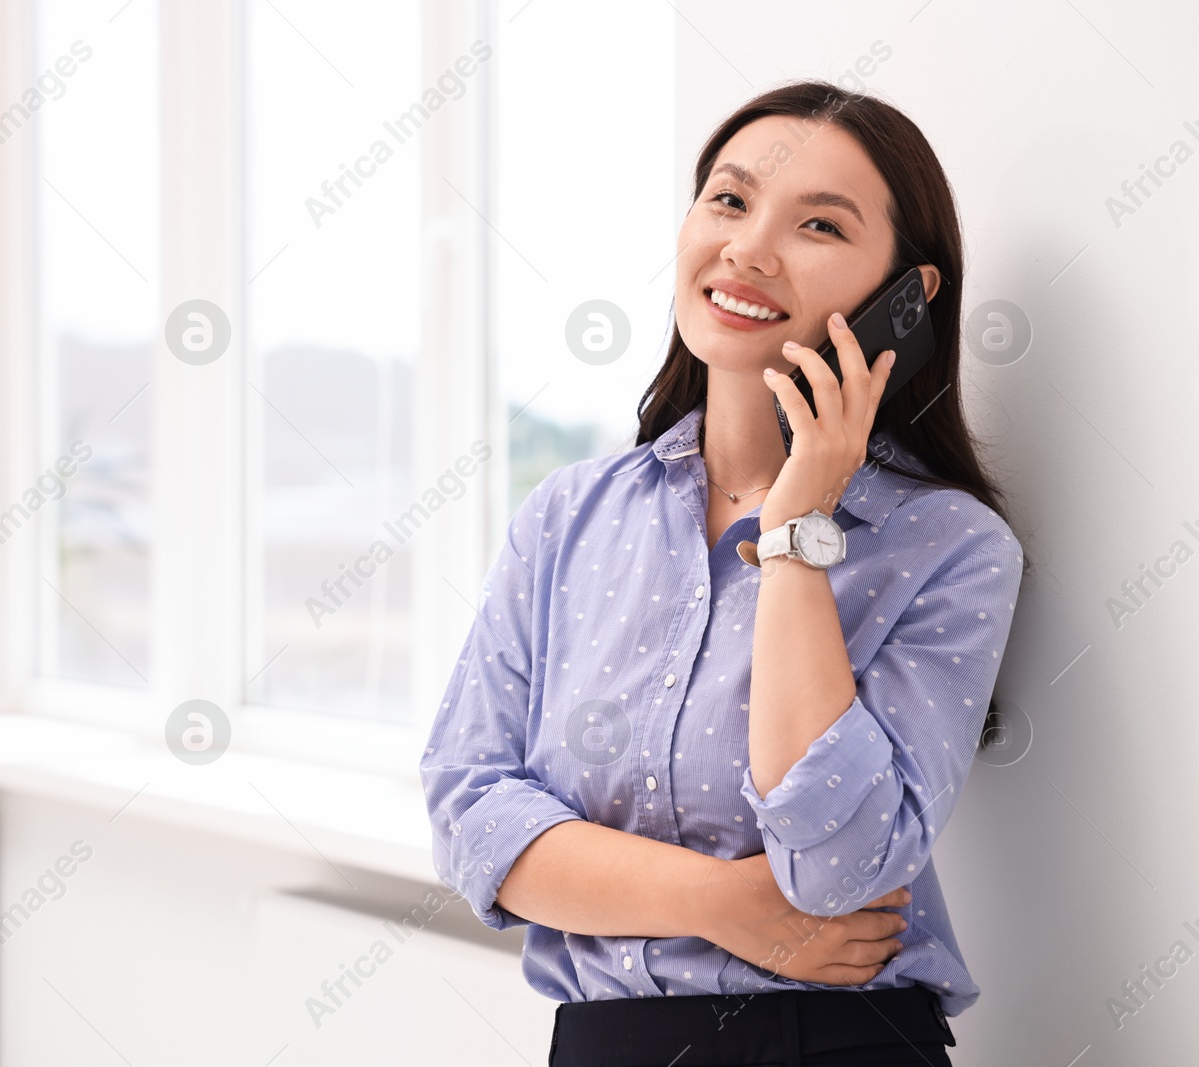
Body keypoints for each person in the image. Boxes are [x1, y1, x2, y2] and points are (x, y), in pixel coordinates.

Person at [418, 80, 1028, 1066]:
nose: (748, 247)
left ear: (903, 299)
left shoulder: (948, 548)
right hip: (602, 1043)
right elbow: (470, 811)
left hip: (831, 1046)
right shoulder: (570, 516)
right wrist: (727, 904)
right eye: (730, 200)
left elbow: (836, 869)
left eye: (817, 224)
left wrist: (795, 531)